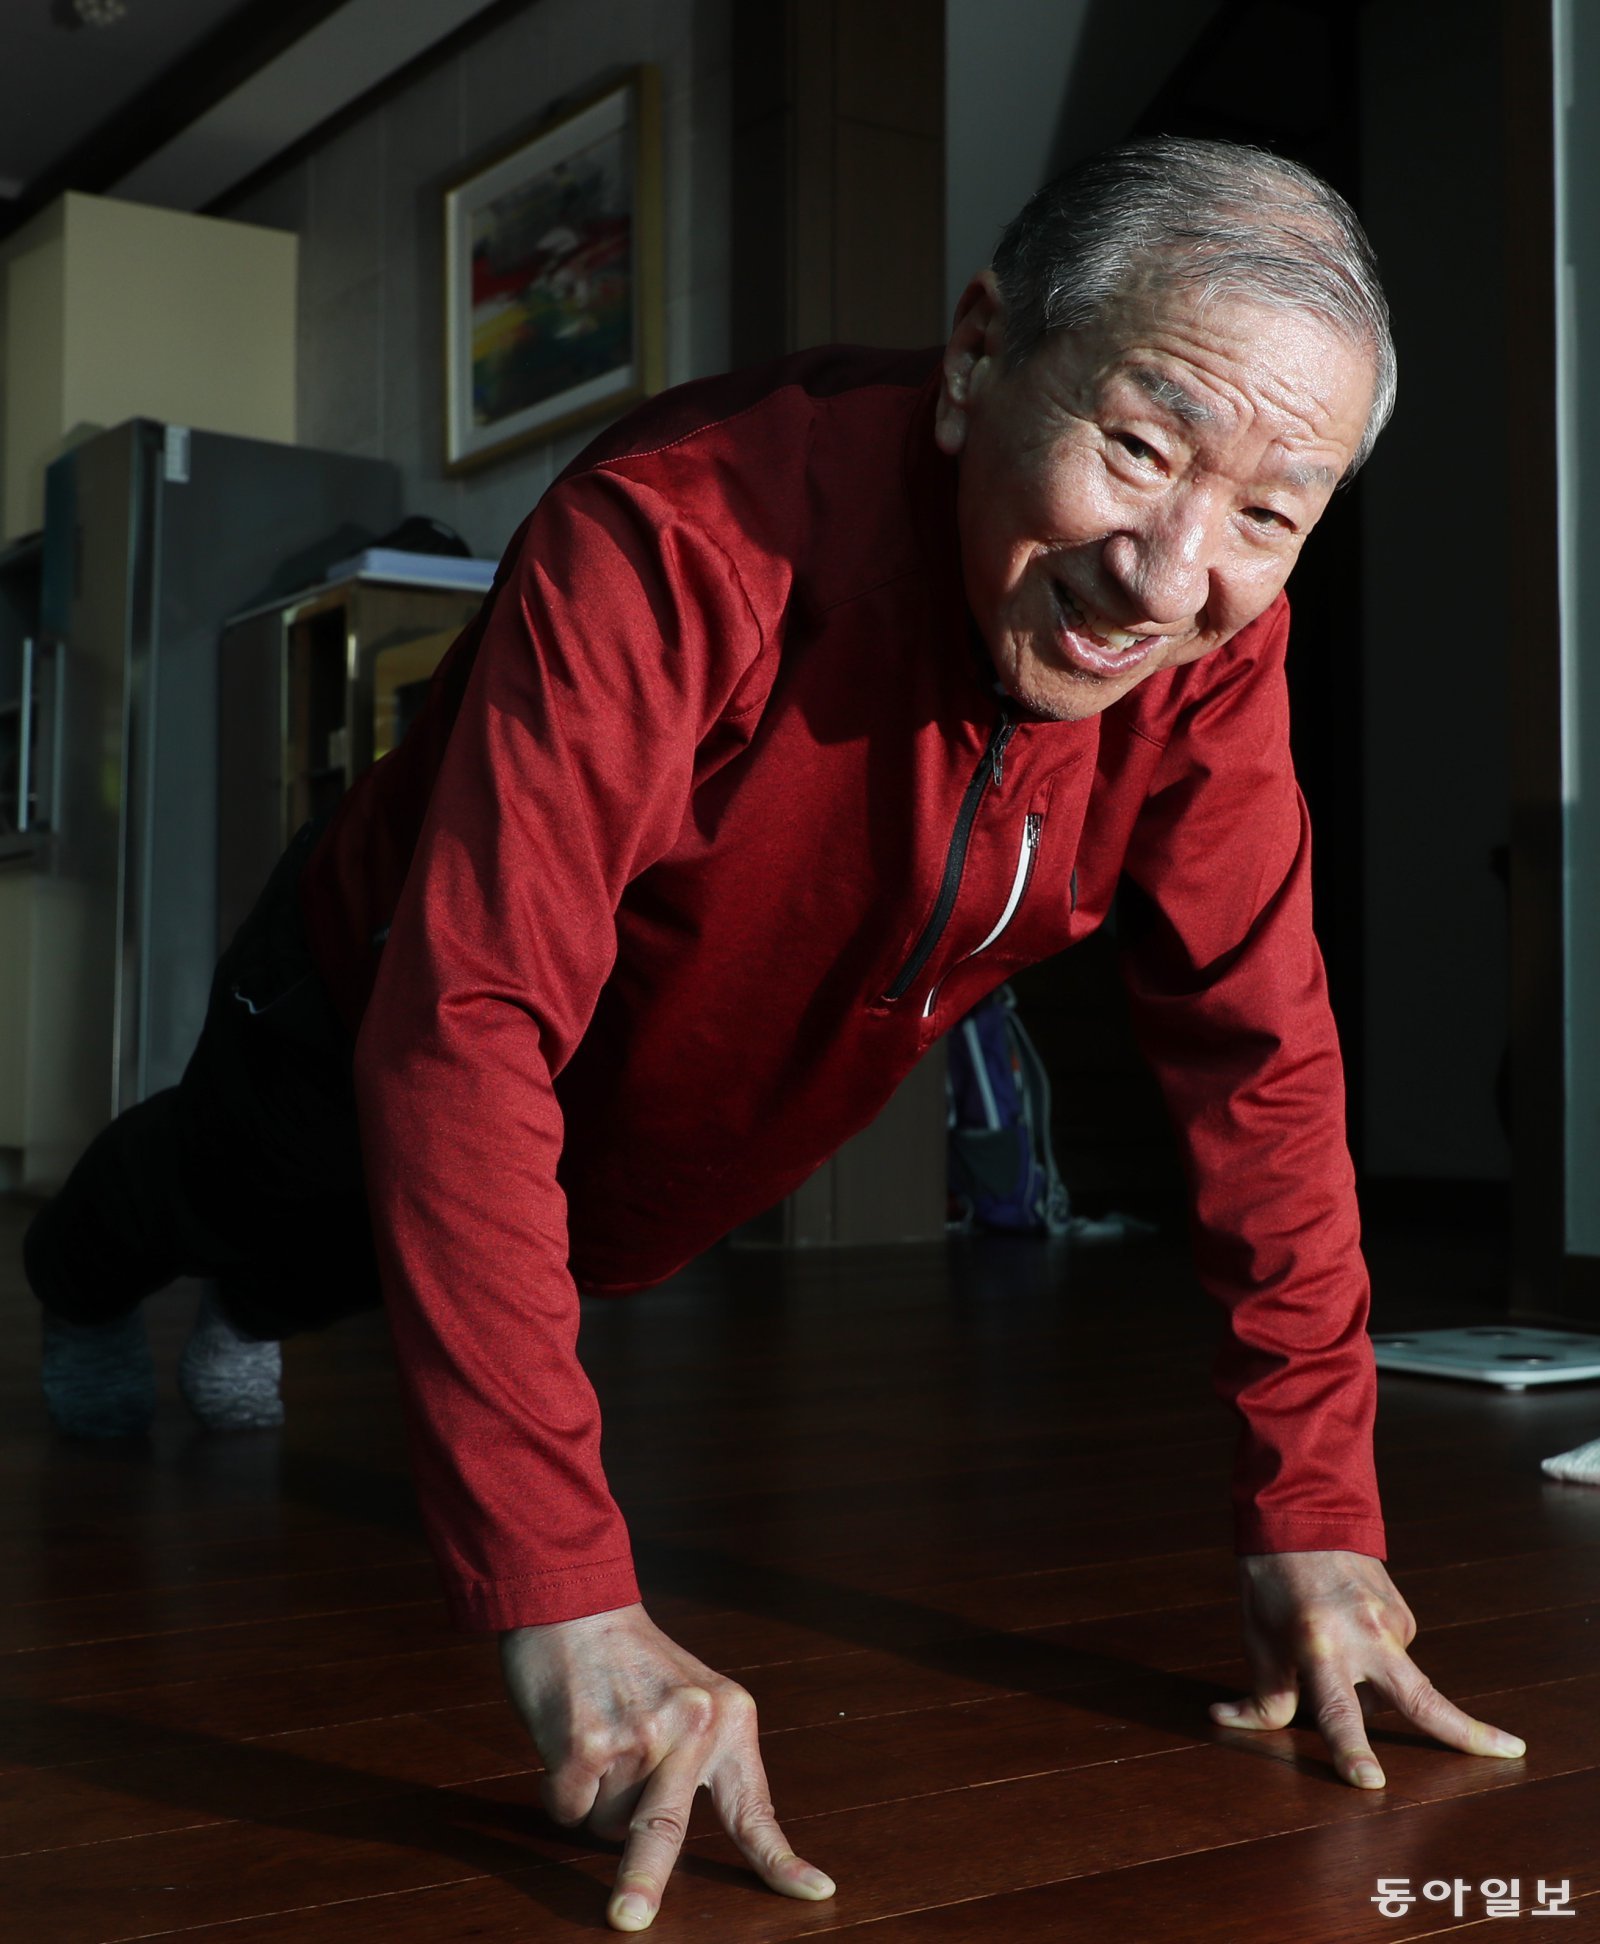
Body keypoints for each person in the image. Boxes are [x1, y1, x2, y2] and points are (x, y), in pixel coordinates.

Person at [22, 136, 1525, 1933]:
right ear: (977, 357)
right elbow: (470, 1021)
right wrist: (567, 1600)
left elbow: (1261, 1060)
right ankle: (83, 1270)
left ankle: (259, 1303)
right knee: (231, 1187)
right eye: (1138, 444)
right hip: (372, 993)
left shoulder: (1208, 647)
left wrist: (1322, 1515)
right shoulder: (676, 530)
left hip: (643, 1114)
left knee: (351, 1276)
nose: (1170, 574)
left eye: (1272, 511)